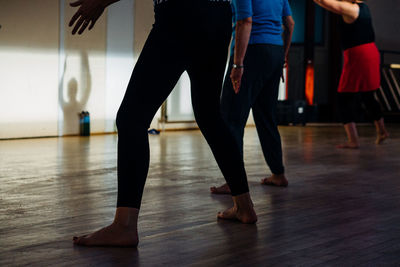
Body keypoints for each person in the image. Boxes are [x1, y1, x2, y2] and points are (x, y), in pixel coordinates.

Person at [69, 0, 257, 247]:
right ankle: (244, 206)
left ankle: (124, 226)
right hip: (218, 15)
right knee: (210, 116)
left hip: (180, 14)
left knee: (131, 118)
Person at [210, 0, 294, 194]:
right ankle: (278, 174)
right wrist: (283, 57)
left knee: (231, 119)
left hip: (251, 51)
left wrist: (238, 64)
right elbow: (290, 24)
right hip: (274, 52)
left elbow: (245, 21)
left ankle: (234, 182)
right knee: (267, 116)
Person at [313, 0, 389, 149]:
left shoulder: (352, 9)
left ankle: (353, 141)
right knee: (368, 95)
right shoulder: (363, 8)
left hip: (359, 55)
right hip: (369, 53)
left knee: (344, 98)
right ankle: (382, 131)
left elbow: (325, 2)